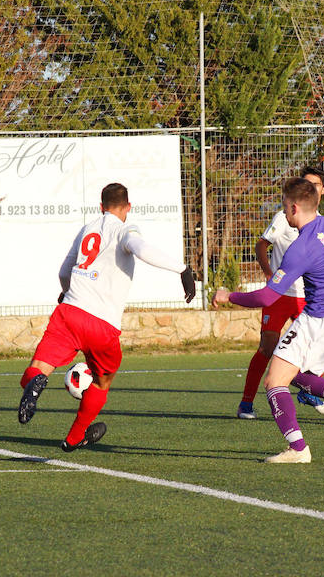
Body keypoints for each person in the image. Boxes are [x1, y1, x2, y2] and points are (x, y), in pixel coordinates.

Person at [17, 183, 196, 452]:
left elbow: (65, 272)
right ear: (128, 208)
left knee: (38, 367)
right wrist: (182, 269)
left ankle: (35, 384)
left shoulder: (88, 228)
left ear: (101, 207)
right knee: (102, 381)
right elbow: (141, 248)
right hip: (102, 324)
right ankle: (75, 437)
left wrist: (66, 293)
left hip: (70, 311)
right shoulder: (126, 229)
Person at [212, 178, 324, 463]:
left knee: (274, 382)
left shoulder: (301, 247)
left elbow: (268, 297)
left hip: (320, 316)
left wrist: (228, 296)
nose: (283, 212)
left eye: (283, 207)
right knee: (292, 373)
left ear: (294, 208)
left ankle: (298, 449)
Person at [236, 167, 324, 420]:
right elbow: (262, 244)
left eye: (315, 184)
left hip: (307, 296)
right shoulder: (284, 217)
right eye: (306, 183)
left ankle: (308, 392)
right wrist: (268, 273)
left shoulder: (322, 222)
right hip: (280, 296)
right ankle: (246, 403)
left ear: (322, 191)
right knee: (267, 348)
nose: (311, 188)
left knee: (313, 348)